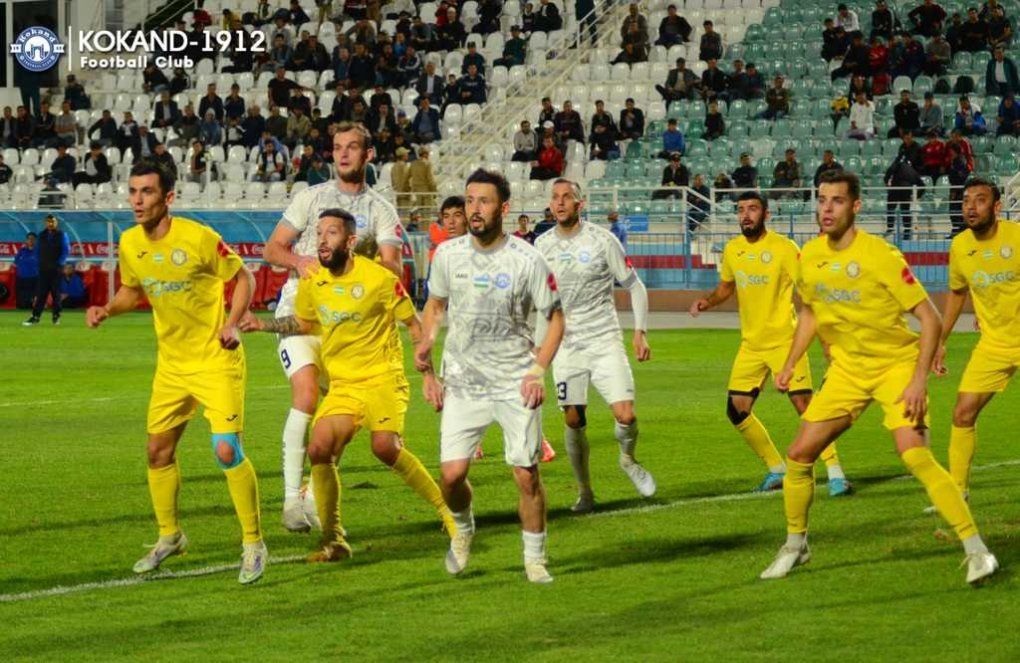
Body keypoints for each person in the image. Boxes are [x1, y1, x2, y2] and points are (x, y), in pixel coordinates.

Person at [758, 170, 998, 586]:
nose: (826, 208)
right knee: (799, 456)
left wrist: (918, 380)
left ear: (855, 206)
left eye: (836, 200)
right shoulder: (809, 256)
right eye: (821, 199)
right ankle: (796, 546)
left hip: (896, 367)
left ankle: (977, 551)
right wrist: (790, 361)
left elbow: (930, 317)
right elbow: (810, 312)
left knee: (915, 456)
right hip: (848, 371)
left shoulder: (881, 256)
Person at [85, 161, 267, 584]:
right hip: (172, 366)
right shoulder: (130, 243)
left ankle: (253, 543)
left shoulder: (199, 237)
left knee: (225, 450)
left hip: (215, 359)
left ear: (168, 198)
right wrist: (107, 309)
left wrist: (232, 323)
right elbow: (133, 290)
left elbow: (245, 279)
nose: (137, 200)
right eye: (133, 191)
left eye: (147, 192)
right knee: (157, 453)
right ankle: (170, 536)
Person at [241, 209, 454, 562]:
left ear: (350, 241)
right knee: (320, 448)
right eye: (320, 233)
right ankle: (334, 539)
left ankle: (450, 513)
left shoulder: (379, 279)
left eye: (332, 233)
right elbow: (306, 323)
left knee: (384, 448)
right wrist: (263, 326)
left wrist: (428, 374)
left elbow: (413, 326)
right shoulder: (313, 281)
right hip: (345, 384)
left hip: (383, 378)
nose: (323, 240)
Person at [417, 168, 565, 583]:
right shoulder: (447, 255)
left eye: (483, 201)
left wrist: (538, 371)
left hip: (515, 379)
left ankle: (534, 559)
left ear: (504, 207)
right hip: (463, 379)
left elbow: (555, 319)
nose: (474, 209)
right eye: (469, 200)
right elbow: (436, 305)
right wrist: (428, 345)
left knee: (526, 473)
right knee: (451, 476)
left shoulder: (528, 259)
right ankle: (463, 531)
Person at [259, 122, 406, 532]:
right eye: (337, 147)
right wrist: (300, 262)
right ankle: (290, 501)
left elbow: (393, 267)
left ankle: (311, 494)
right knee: (306, 394)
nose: (343, 154)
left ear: (368, 155)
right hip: (300, 310)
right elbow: (272, 248)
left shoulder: (381, 210)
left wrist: (356, 258)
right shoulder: (311, 198)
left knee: (339, 414)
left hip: (348, 325)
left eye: (352, 147)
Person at [689, 191, 853, 494]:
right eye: (740, 210)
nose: (746, 215)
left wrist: (826, 338)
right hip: (751, 345)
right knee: (737, 409)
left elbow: (807, 295)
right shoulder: (733, 249)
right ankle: (777, 469)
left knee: (805, 406)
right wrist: (707, 302)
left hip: (785, 342)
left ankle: (835, 473)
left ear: (766, 215)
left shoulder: (784, 248)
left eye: (752, 209)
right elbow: (726, 287)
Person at [531, 179, 654, 513]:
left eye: (566, 197)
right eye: (554, 198)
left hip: (603, 340)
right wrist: (538, 351)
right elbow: (542, 304)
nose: (559, 203)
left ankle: (628, 459)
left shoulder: (603, 240)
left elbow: (635, 286)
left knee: (625, 415)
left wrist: (640, 331)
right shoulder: (541, 246)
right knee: (573, 421)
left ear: (579, 204)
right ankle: (585, 493)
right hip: (566, 346)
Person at [934, 178, 1020, 502]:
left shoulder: (1017, 236)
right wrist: (940, 340)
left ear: (998, 206)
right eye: (966, 200)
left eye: (980, 200)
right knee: (962, 413)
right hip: (994, 345)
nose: (971, 206)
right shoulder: (960, 246)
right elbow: (957, 294)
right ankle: (958, 493)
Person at [23, 215, 70, 326]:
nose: (50, 224)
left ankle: (56, 316)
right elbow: (37, 250)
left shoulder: (62, 235)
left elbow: (66, 250)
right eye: (48, 222)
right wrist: (39, 263)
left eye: (52, 221)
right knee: (41, 294)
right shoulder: (41, 235)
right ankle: (35, 317)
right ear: (45, 223)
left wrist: (60, 264)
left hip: (56, 269)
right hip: (43, 269)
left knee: (56, 293)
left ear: (56, 222)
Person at [14, 232, 39, 310]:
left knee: (33, 303)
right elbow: (16, 262)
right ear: (26, 240)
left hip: (34, 279)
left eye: (32, 239)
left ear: (36, 241)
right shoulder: (22, 251)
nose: (30, 240)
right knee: (21, 302)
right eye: (29, 239)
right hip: (21, 278)